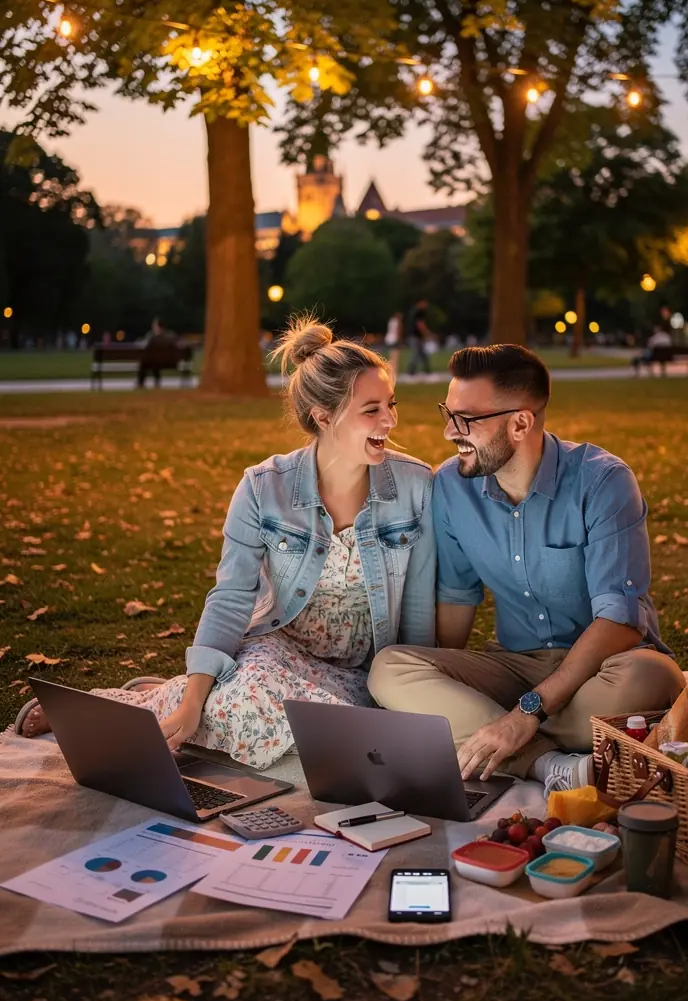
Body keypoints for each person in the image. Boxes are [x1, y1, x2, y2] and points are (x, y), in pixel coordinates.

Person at [17, 317, 436, 767]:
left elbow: (417, 607)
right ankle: (156, 703)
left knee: (330, 731)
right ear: (323, 416)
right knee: (246, 703)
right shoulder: (263, 487)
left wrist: (412, 697)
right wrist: (193, 700)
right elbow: (232, 597)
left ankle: (154, 699)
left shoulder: (416, 486)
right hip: (276, 655)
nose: (390, 420)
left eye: (391, 404)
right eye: (372, 410)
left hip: (360, 674)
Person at [369, 344, 685, 793]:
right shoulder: (452, 487)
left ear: (520, 423)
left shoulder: (603, 482)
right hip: (515, 667)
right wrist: (441, 680)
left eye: (466, 420)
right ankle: (545, 760)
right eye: (448, 414)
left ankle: (490, 735)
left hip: (602, 671)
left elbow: (620, 621)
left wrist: (524, 714)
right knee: (389, 669)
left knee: (651, 678)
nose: (449, 432)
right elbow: (457, 596)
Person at [137, 316, 176, 388]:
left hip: (154, 362)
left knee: (145, 364)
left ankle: (140, 384)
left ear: (157, 326)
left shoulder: (152, 337)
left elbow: (144, 346)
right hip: (169, 363)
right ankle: (157, 382)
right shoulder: (170, 336)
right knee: (155, 361)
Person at [405, 299, 431, 376]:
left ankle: (427, 370)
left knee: (422, 353)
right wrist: (427, 333)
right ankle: (410, 370)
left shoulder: (413, 311)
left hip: (415, 336)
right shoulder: (418, 312)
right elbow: (420, 324)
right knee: (417, 354)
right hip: (415, 336)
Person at [384, 311, 404, 379]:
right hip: (395, 339)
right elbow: (398, 331)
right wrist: (400, 341)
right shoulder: (398, 322)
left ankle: (390, 372)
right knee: (395, 357)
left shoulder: (391, 321)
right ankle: (394, 373)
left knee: (391, 356)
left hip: (389, 339)